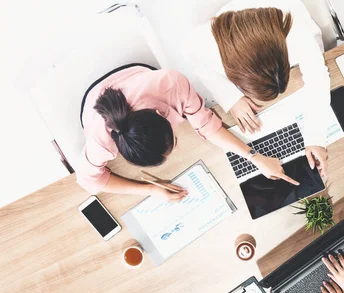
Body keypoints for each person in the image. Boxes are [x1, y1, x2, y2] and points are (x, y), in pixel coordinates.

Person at [78, 64, 298, 200]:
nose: (177, 144)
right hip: (96, 104)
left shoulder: (172, 83)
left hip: (141, 75)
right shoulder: (101, 139)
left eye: (174, 139)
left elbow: (206, 126)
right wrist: (149, 190)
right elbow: (88, 182)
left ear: (161, 114)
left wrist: (255, 158)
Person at [185, 0, 330, 177]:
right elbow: (197, 63)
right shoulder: (204, 42)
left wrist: (316, 137)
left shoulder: (291, 21)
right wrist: (232, 99)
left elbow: (317, 75)